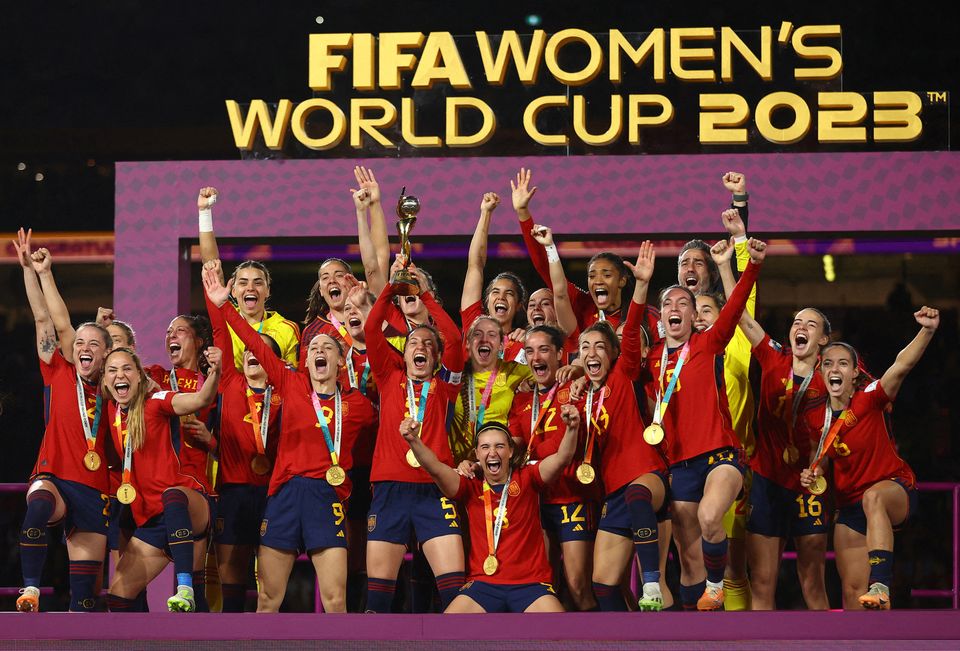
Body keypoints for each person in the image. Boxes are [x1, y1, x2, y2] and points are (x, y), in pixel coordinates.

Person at [204, 263, 377, 613]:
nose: (319, 351)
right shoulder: (291, 384)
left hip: (326, 496)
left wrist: (369, 310)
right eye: (313, 348)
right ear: (305, 361)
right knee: (268, 600)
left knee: (335, 600)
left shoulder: (358, 405)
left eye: (327, 347)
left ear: (341, 362)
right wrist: (224, 305)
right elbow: (254, 342)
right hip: (283, 494)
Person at [645, 237, 765, 611]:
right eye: (669, 303)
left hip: (721, 455)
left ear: (694, 315)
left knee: (710, 517)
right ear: (661, 318)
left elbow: (736, 306)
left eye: (685, 303)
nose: (676, 308)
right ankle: (694, 625)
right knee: (688, 557)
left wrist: (751, 265)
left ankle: (716, 587)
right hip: (680, 464)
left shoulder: (710, 344)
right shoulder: (651, 359)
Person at [713, 240, 831, 610]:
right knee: (762, 583)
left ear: (824, 339)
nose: (801, 327)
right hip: (766, 480)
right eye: (796, 322)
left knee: (813, 583)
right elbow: (740, 315)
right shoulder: (772, 356)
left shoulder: (833, 374)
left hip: (809, 482)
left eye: (810, 324)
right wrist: (725, 265)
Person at [799, 307, 938, 610]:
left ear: (854, 374)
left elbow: (901, 366)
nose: (834, 369)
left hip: (893, 489)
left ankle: (881, 584)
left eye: (843, 363)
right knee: (853, 594)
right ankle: (871, 614)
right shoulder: (815, 416)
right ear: (821, 373)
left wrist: (927, 330)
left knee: (873, 498)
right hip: (850, 506)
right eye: (828, 363)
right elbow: (821, 457)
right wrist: (814, 472)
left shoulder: (871, 398)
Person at [13, 229, 111, 613]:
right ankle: (31, 590)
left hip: (94, 488)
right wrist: (33, 270)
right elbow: (46, 319)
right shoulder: (58, 371)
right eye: (79, 343)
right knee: (37, 505)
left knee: (85, 598)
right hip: (53, 475)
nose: (83, 348)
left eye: (93, 345)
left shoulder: (116, 389)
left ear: (106, 355)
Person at [363, 258, 466, 613]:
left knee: (454, 595)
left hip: (434, 489)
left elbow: (454, 338)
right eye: (413, 344)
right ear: (403, 355)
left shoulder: (445, 387)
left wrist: (423, 294)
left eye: (428, 345)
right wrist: (391, 288)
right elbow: (372, 327)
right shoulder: (388, 378)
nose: (420, 347)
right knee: (378, 600)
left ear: (436, 358)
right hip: (389, 488)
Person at [403, 414, 580, 613]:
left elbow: (562, 458)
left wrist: (572, 428)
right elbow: (435, 468)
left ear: (510, 451)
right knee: (448, 628)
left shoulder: (528, 477)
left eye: (499, 446)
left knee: (558, 627)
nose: (492, 452)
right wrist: (413, 440)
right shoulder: (470, 486)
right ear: (477, 454)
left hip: (531, 585)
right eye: (485, 447)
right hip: (483, 585)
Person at [578, 242, 671, 612]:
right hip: (611, 491)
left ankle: (651, 585)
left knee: (637, 495)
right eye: (584, 348)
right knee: (603, 586)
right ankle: (631, 630)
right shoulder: (579, 396)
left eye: (600, 347)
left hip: (646, 476)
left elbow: (630, 331)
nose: (592, 353)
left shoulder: (623, 373)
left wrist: (642, 286)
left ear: (613, 354)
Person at [102, 345, 221, 612]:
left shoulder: (156, 401)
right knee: (118, 597)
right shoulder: (111, 410)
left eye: (127, 368)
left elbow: (201, 399)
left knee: (172, 495)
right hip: (153, 520)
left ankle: (184, 588)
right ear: (105, 380)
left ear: (140, 375)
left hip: (188, 505)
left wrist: (215, 372)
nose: (119, 375)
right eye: (112, 370)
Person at [684, 174, 755, 611]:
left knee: (734, 569)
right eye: (693, 312)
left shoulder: (736, 342)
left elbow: (744, 291)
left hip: (733, 462)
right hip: (686, 465)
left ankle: (741, 637)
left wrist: (740, 217)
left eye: (709, 310)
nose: (699, 317)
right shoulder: (677, 353)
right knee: (693, 566)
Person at [203, 264, 284, 612]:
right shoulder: (229, 382)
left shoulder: (287, 392)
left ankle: (270, 635)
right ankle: (230, 636)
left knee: (270, 582)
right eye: (249, 350)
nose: (252, 353)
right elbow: (221, 331)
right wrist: (219, 302)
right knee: (231, 578)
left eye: (260, 350)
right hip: (234, 491)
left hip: (274, 494)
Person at [507, 324, 600, 610]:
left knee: (578, 586)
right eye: (529, 351)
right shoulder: (521, 398)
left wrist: (580, 371)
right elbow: (515, 444)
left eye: (544, 350)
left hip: (572, 496)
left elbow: (563, 446)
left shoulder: (576, 388)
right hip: (536, 502)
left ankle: (604, 633)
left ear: (560, 354)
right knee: (543, 585)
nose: (536, 357)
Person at [196, 187, 300, 369]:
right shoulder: (225, 319)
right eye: (243, 283)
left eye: (258, 282)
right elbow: (211, 265)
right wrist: (204, 212)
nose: (250, 288)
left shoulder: (287, 328)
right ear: (233, 291)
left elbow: (292, 374)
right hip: (232, 386)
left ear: (267, 291)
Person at [449, 314, 531, 464]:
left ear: (501, 345)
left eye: (491, 334)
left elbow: (549, 371)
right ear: (468, 344)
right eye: (477, 334)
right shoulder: (454, 374)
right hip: (458, 467)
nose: (484, 339)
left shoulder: (513, 371)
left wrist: (529, 342)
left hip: (495, 462)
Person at [461, 191, 528, 361]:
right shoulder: (473, 325)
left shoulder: (523, 343)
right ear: (487, 301)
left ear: (519, 305)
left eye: (509, 293)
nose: (501, 297)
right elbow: (475, 265)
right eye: (495, 292)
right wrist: (485, 213)